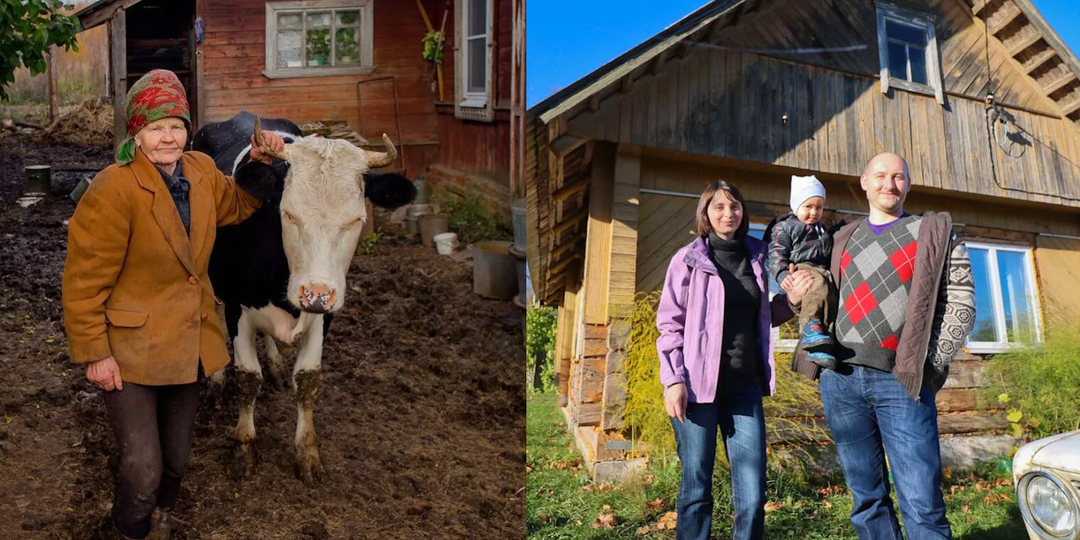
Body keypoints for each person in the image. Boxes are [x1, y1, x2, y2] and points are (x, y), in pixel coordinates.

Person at [61, 69, 286, 540]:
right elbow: (83, 284)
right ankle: (131, 528)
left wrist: (260, 164)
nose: (169, 137)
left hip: (189, 341)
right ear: (136, 133)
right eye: (156, 127)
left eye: (177, 126)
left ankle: (162, 514)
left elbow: (238, 204)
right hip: (130, 353)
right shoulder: (113, 189)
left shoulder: (201, 171)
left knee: (177, 458)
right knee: (143, 467)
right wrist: (95, 354)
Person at [786, 152, 977, 540]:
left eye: (898, 177)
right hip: (840, 381)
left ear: (908, 184)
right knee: (866, 500)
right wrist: (796, 295)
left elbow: (962, 302)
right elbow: (819, 293)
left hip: (901, 382)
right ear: (864, 182)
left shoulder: (933, 232)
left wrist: (927, 363)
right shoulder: (842, 237)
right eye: (880, 176)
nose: (889, 184)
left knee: (922, 502)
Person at [656, 180, 814, 540]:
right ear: (706, 215)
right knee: (696, 489)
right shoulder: (689, 259)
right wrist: (674, 380)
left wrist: (793, 300)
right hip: (697, 389)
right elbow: (669, 324)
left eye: (735, 207)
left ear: (743, 213)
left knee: (753, 494)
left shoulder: (758, 256)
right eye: (719, 207)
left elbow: (765, 315)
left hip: (745, 388)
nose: (729, 213)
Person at [765, 174, 839, 369]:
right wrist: (782, 274)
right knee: (818, 287)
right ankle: (811, 327)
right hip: (803, 268)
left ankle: (820, 343)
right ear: (796, 206)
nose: (814, 212)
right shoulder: (786, 227)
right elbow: (776, 253)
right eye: (808, 207)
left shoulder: (822, 229)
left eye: (819, 207)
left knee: (828, 296)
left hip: (821, 270)